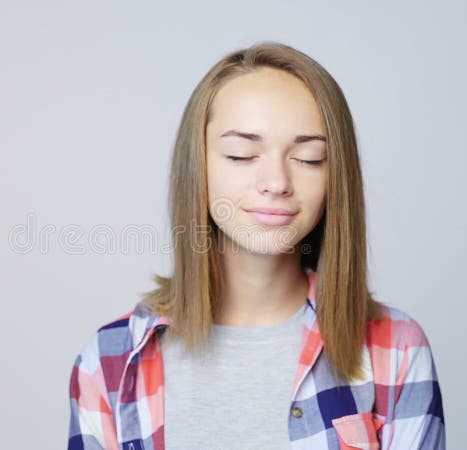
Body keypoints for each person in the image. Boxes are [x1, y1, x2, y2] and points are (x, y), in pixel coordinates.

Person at [67, 41, 445, 450]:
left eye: (309, 158)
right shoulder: (110, 362)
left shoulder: (396, 348)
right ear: (199, 167)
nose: (277, 182)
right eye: (242, 154)